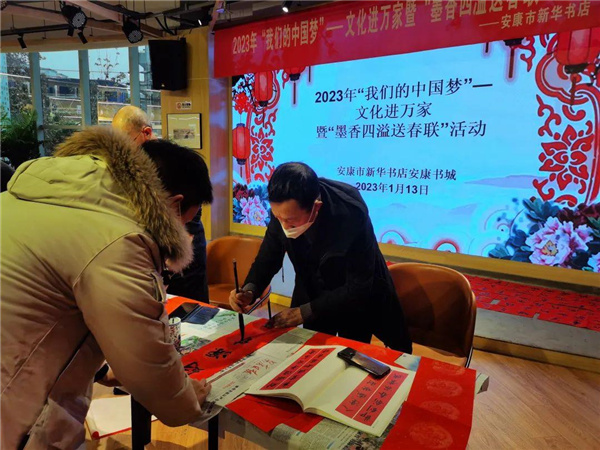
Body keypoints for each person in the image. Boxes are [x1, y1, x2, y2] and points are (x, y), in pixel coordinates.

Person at [1, 127, 213, 449]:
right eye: (186, 222)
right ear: (174, 205)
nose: (185, 232)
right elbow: (147, 363)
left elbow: (46, 312)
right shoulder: (119, 239)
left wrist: (101, 369)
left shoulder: (34, 194)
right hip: (15, 411)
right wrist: (185, 398)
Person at [229, 162, 412, 353]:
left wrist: (303, 312)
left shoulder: (351, 214)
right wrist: (250, 290)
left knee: (351, 352)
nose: (284, 225)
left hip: (355, 297)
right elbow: (268, 257)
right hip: (313, 290)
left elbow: (358, 286)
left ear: (316, 207)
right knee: (313, 352)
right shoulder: (283, 211)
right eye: (278, 217)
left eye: (290, 221)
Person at [112, 105, 209, 302]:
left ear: (147, 132)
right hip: (147, 263)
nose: (125, 154)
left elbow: (187, 220)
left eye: (127, 144)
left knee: (190, 307)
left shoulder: (176, 163)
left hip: (181, 257)